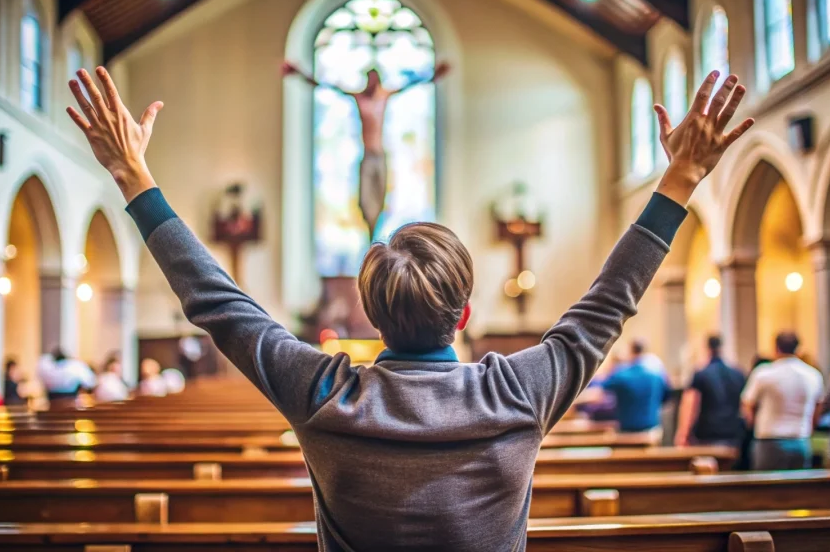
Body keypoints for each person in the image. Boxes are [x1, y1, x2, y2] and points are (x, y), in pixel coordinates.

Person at [66, 65, 752, 551]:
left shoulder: (322, 393)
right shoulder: (520, 390)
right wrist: (681, 178)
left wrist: (134, 174)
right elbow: (609, 302)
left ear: (369, 313)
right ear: (463, 313)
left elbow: (215, 302)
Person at [283, 61, 450, 241]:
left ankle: (376, 235)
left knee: (379, 199)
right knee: (365, 201)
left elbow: (412, 83)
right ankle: (370, 236)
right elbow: (326, 86)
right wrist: (299, 72)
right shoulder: (360, 98)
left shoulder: (384, 96)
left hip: (380, 155)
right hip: (367, 155)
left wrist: (434, 75)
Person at [741, 332, 824, 470]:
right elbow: (819, 406)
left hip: (769, 439)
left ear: (776, 348)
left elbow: (747, 404)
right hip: (800, 439)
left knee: (767, 488)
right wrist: (810, 426)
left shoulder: (764, 373)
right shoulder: (812, 374)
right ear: (797, 349)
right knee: (799, 488)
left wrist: (752, 423)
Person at [675, 335, 746, 448]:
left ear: (707, 348)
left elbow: (690, 404)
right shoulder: (738, 373)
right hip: (733, 433)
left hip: (707, 433)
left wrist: (683, 434)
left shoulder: (701, 374)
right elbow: (745, 405)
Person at [600, 348, 671, 440]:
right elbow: (666, 397)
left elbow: (603, 388)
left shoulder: (621, 374)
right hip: (651, 430)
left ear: (630, 352)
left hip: (626, 432)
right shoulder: (656, 374)